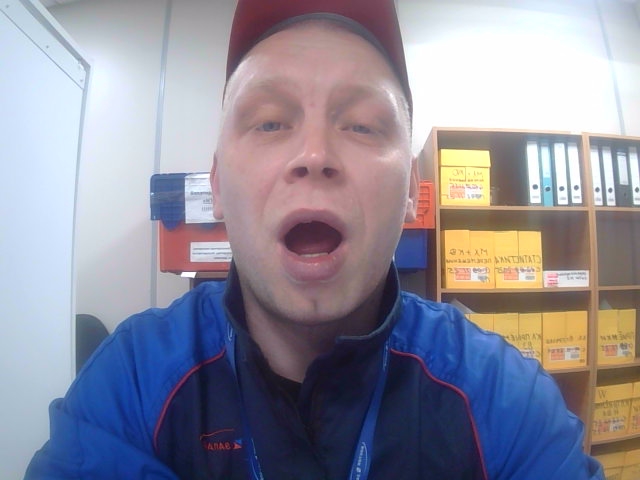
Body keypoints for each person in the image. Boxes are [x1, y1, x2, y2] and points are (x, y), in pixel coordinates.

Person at [26, 0, 604, 478]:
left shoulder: (504, 398)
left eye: (361, 125)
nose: (314, 154)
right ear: (218, 186)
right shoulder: (130, 382)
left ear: (411, 191)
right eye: (270, 122)